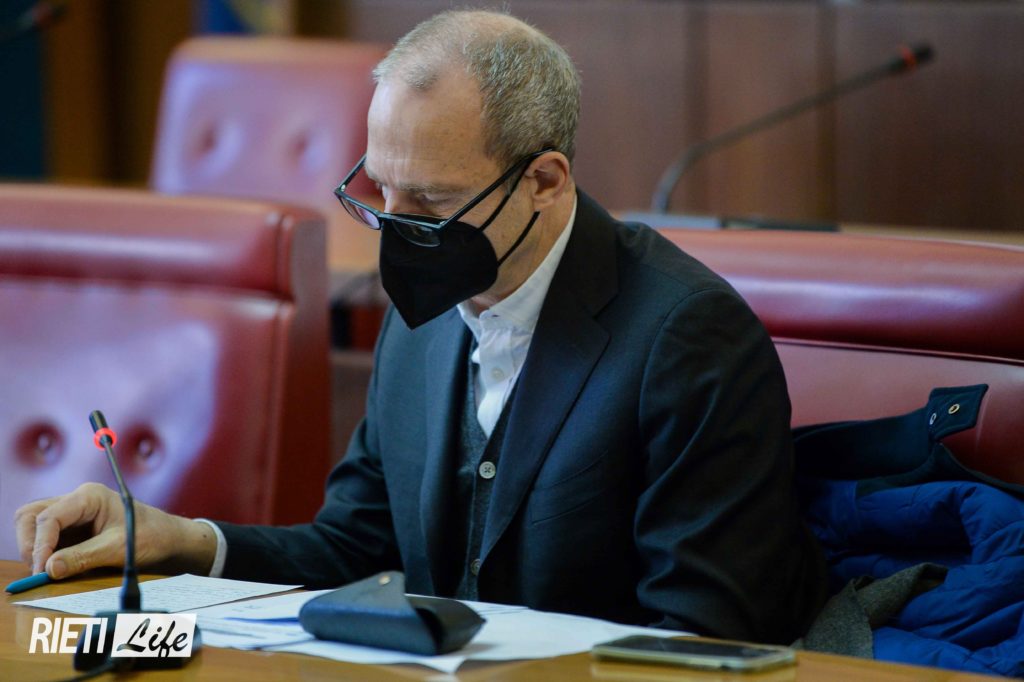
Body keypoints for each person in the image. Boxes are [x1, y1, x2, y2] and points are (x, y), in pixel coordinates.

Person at [15, 10, 825, 643]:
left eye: (431, 202)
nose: (395, 234)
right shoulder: (424, 317)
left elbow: (707, 637)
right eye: (380, 193)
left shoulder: (687, 339)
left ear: (545, 181)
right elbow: (354, 548)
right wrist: (182, 540)